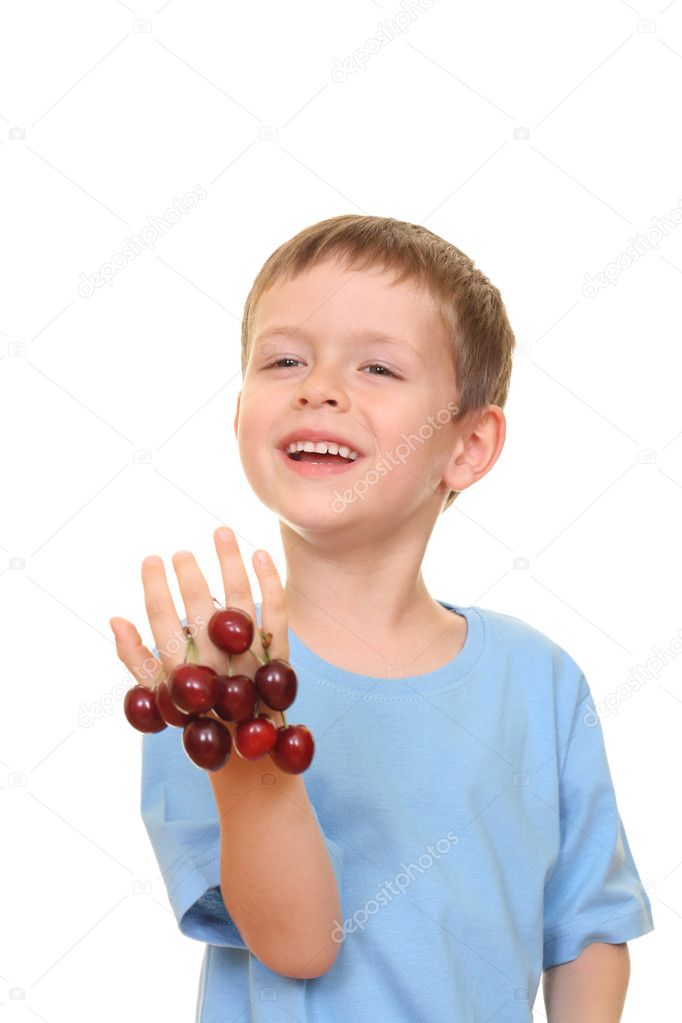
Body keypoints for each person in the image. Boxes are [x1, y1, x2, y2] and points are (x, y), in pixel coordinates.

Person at [111, 214, 654, 1022]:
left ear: (467, 445)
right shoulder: (207, 687)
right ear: (238, 418)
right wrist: (245, 750)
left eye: (377, 367)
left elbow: (586, 928)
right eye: (285, 358)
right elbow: (300, 943)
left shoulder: (540, 682)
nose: (318, 386)